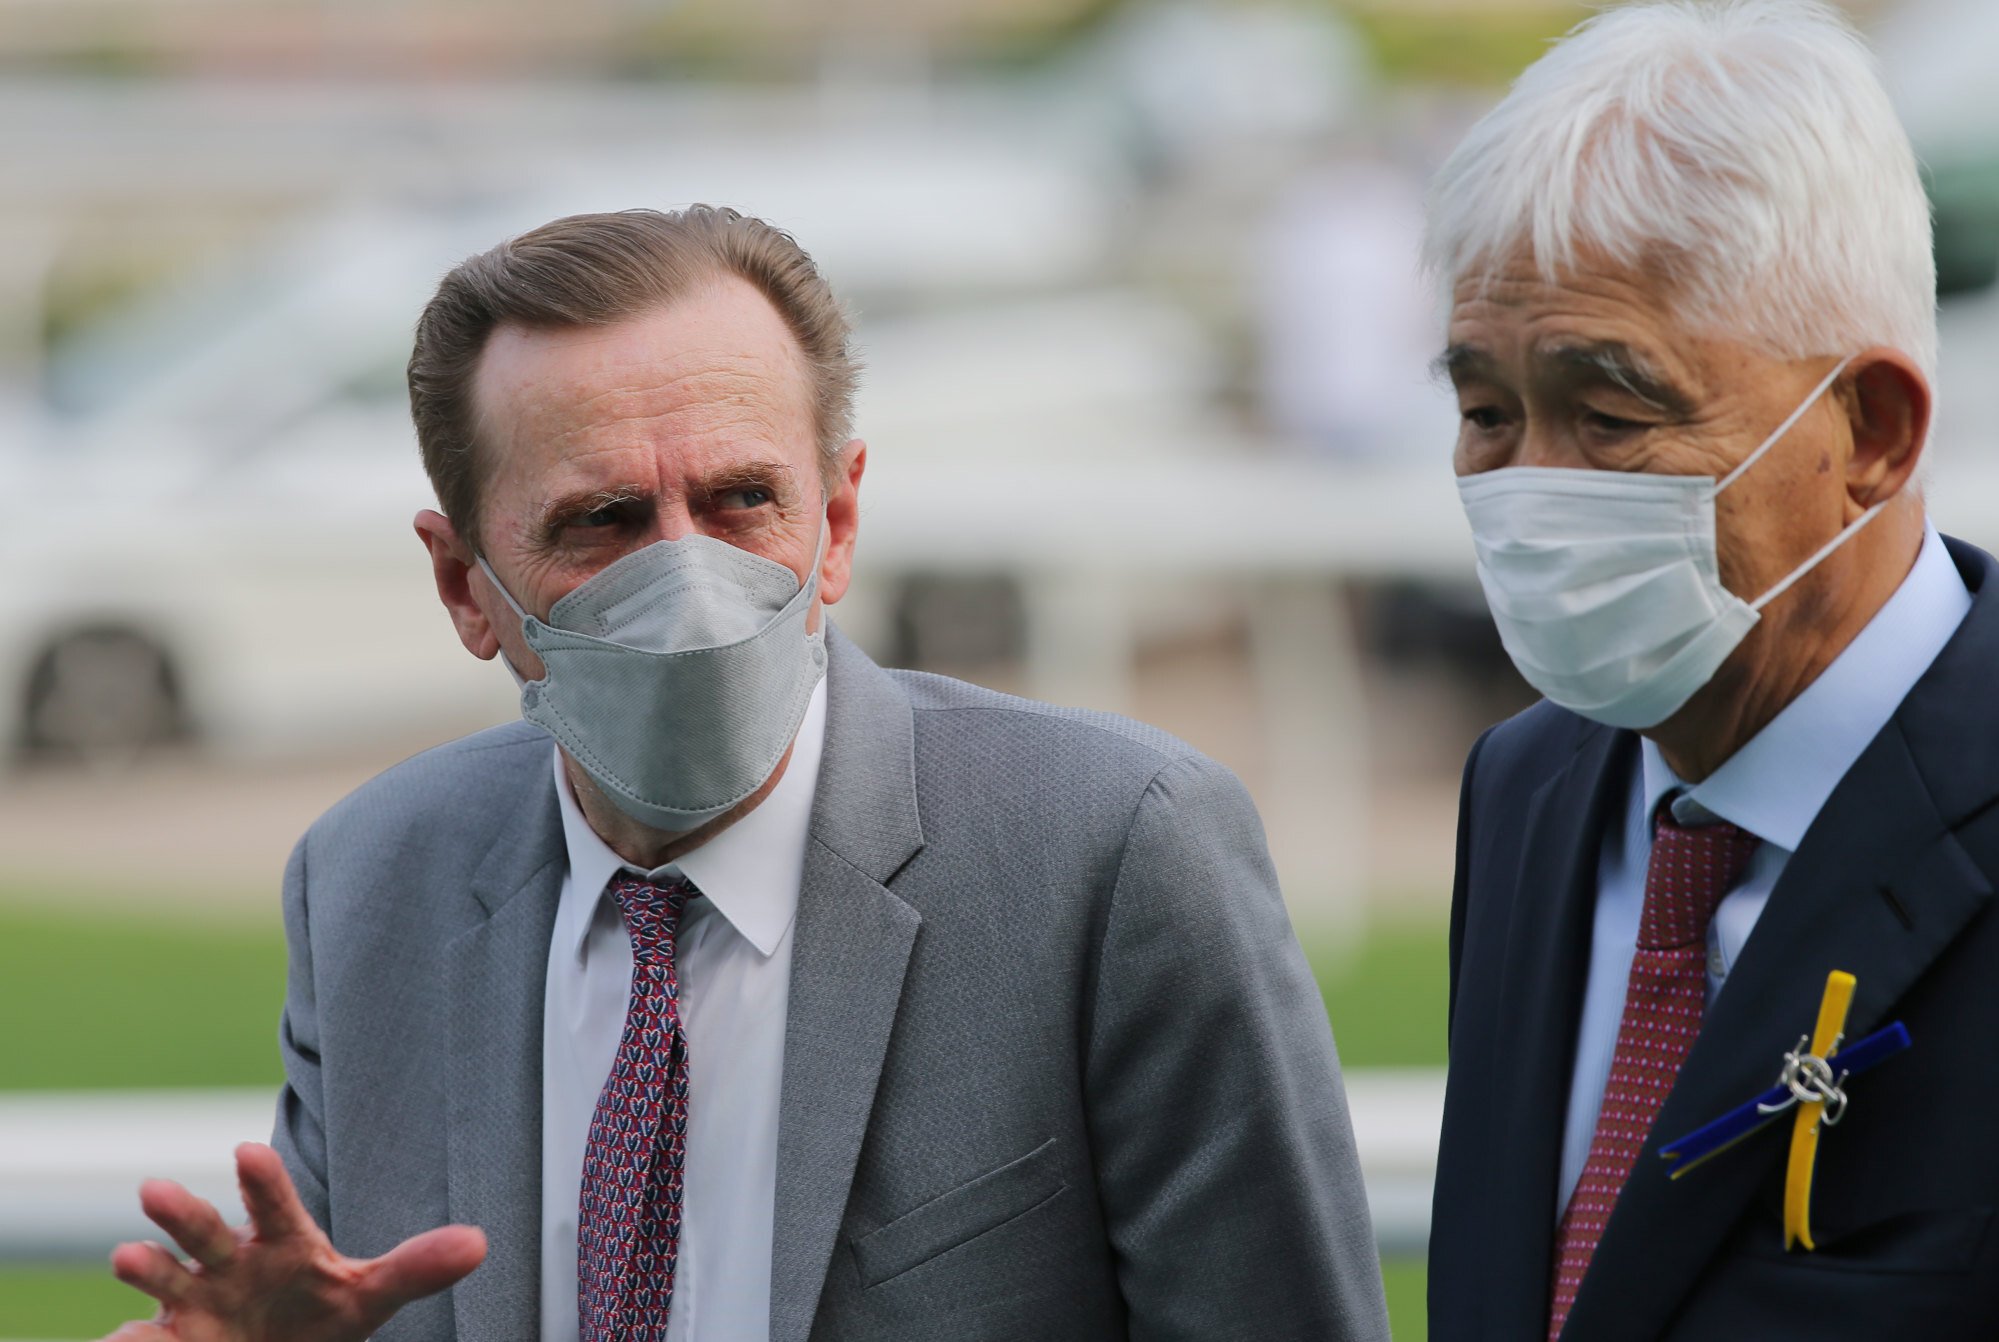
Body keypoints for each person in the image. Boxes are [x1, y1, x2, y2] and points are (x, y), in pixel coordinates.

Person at [99, 206, 1390, 1342]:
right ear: (462, 586)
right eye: (601, 522)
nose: (689, 581)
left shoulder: (1113, 857)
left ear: (836, 523)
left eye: (740, 501)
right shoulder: (372, 881)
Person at [1425, 3, 1999, 1338]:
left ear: (1871, 430)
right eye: (1485, 412)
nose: (1529, 492)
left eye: (1613, 414)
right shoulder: (1526, 788)